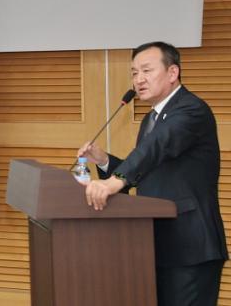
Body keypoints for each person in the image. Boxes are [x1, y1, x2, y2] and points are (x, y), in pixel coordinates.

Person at [78, 41, 227, 306]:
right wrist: (104, 161)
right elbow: (146, 169)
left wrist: (115, 181)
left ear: (172, 73)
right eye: (134, 73)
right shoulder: (152, 118)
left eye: (147, 70)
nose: (139, 79)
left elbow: (157, 147)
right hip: (157, 242)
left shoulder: (191, 110)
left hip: (190, 246)